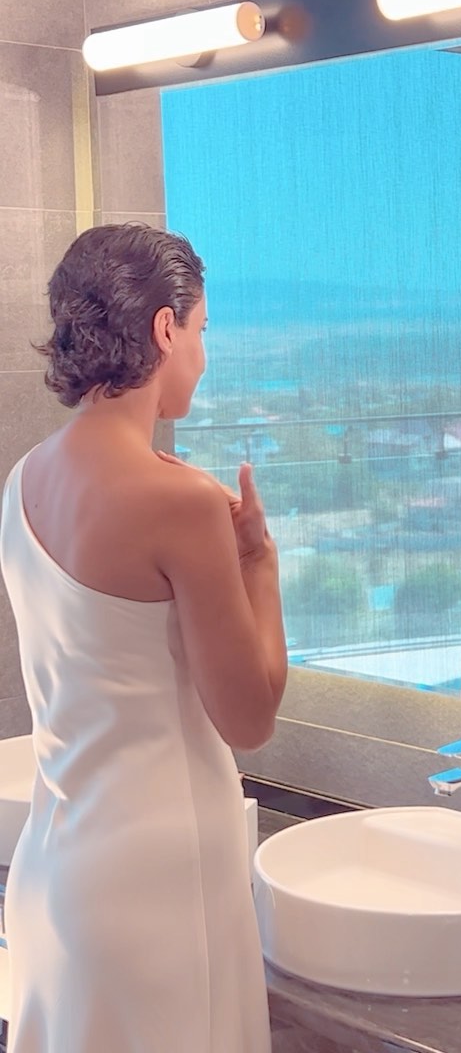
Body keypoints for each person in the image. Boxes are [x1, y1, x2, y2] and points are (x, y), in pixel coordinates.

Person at [0, 223, 287, 1052]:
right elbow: (250, 718)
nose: (203, 353)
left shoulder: (24, 480)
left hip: (56, 872)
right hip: (158, 890)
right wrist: (259, 563)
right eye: (201, 329)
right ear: (165, 328)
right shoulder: (180, 501)